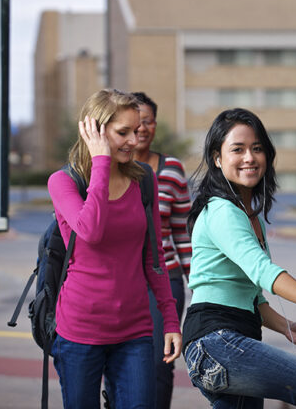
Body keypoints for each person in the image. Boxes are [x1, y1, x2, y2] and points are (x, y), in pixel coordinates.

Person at [182, 108, 296, 409]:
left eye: (257, 149)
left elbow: (251, 298)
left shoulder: (246, 213)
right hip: (216, 341)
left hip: (225, 341)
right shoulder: (223, 211)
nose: (249, 158)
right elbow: (264, 273)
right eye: (237, 150)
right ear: (217, 158)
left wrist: (285, 326)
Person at [47, 88, 182, 408]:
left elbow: (154, 256)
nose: (134, 141)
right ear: (93, 130)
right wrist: (101, 162)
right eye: (123, 132)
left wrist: (171, 318)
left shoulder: (144, 178)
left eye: (136, 132)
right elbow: (91, 231)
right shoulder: (63, 182)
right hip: (80, 331)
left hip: (135, 330)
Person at [112, 91, 191, 409]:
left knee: (161, 360)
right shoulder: (110, 168)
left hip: (165, 277)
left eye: (148, 122)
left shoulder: (172, 170)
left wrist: (195, 281)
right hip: (121, 280)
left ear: (155, 126)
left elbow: (182, 232)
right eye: (134, 123)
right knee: (117, 359)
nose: (141, 129)